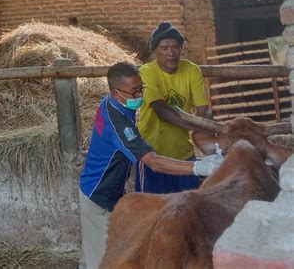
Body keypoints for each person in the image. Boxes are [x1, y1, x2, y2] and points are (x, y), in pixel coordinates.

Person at [78, 61, 223, 269]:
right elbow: (153, 162)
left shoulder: (111, 104)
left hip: (110, 191)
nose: (139, 96)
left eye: (141, 89)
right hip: (98, 196)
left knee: (99, 248)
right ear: (115, 92)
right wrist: (199, 167)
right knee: (103, 261)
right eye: (134, 92)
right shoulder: (118, 124)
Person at [136, 22, 212, 194]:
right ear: (155, 51)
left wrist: (206, 127)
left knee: (188, 206)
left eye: (176, 47)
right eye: (164, 48)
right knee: (153, 209)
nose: (171, 53)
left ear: (181, 49)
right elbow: (161, 110)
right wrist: (198, 125)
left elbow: (203, 108)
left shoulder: (192, 70)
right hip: (152, 154)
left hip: (183, 153)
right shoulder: (147, 72)